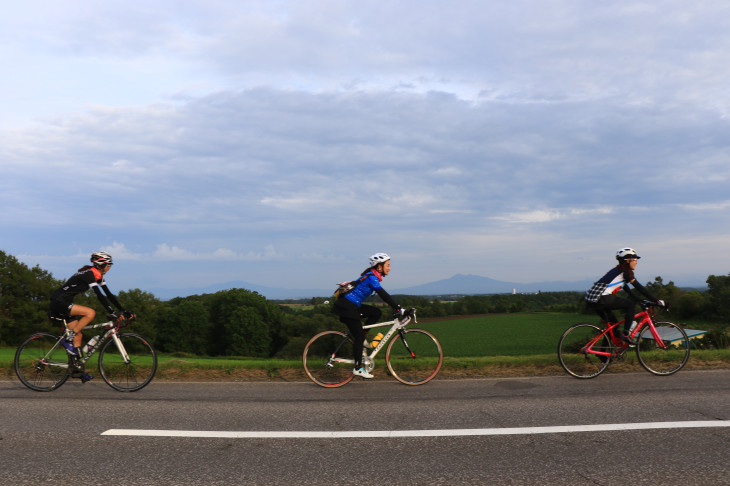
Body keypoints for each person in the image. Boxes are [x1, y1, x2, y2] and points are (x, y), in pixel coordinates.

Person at [49, 251, 130, 382]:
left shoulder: (98, 275)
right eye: (109, 264)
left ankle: (76, 370)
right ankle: (68, 339)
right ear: (101, 264)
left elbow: (108, 295)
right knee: (90, 313)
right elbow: (98, 294)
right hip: (59, 302)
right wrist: (111, 311)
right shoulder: (89, 274)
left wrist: (123, 310)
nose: (110, 267)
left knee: (79, 335)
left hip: (64, 303)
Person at [332, 252, 406, 379]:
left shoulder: (371, 276)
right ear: (379, 267)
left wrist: (398, 308)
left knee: (376, 313)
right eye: (387, 265)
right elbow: (383, 294)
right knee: (358, 336)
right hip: (347, 307)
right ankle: (357, 368)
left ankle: (363, 338)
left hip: (352, 305)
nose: (389, 268)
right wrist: (399, 309)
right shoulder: (372, 277)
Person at [584, 248, 664, 344]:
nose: (636, 262)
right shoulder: (624, 272)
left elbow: (627, 290)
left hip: (593, 299)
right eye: (634, 259)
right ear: (627, 260)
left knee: (613, 326)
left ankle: (603, 355)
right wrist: (657, 301)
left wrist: (639, 300)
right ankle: (626, 334)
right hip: (602, 298)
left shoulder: (618, 271)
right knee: (630, 305)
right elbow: (640, 288)